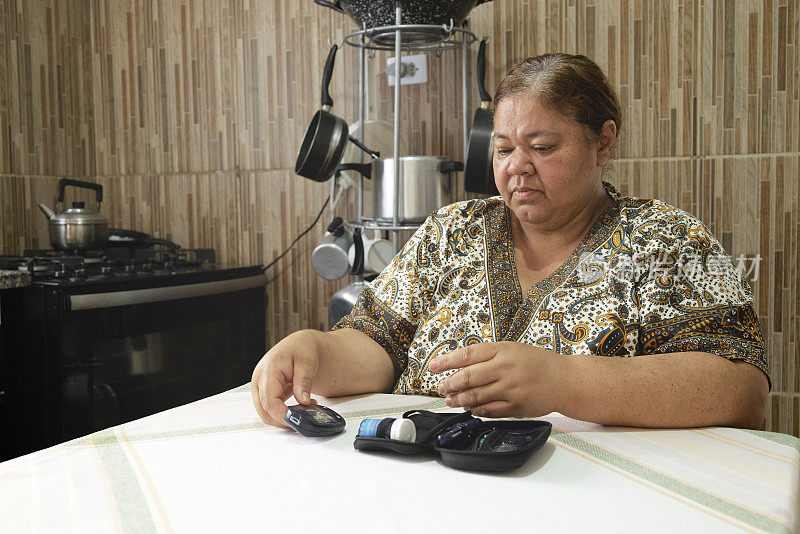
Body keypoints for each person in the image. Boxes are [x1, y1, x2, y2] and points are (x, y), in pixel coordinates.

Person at [252, 53, 769, 430]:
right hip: (428, 487)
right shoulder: (451, 234)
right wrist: (315, 351)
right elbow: (377, 344)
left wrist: (561, 382)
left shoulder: (666, 241)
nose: (517, 168)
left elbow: (740, 389)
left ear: (603, 143)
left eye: (541, 147)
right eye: (503, 150)